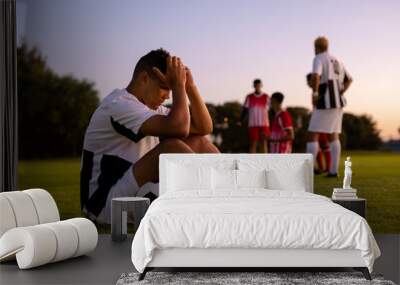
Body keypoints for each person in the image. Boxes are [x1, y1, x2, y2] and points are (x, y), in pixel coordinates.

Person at [80, 49, 219, 223]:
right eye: (164, 87)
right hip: (104, 204)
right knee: (171, 147)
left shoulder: (151, 108)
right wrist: (177, 86)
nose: (167, 95)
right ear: (144, 78)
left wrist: (189, 86)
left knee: (200, 143)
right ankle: (211, 204)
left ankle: (222, 195)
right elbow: (179, 128)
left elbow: (204, 127)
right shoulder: (118, 104)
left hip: (131, 189)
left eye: (171, 88)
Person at [306, 37, 353, 178]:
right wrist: (340, 92)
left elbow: (315, 76)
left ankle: (307, 172)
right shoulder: (337, 59)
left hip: (325, 102)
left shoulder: (318, 58)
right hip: (339, 103)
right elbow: (349, 79)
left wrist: (315, 93)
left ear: (316, 47)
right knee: (334, 135)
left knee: (312, 134)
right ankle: (333, 171)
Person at [306, 73, 332, 174]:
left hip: (322, 119)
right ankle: (322, 168)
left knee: (323, 144)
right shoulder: (315, 91)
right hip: (318, 118)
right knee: (319, 145)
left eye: (308, 81)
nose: (307, 83)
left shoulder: (320, 90)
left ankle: (328, 168)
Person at [241, 79, 270, 153]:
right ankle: (251, 162)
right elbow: (245, 110)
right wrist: (240, 120)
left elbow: (271, 110)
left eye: (259, 85)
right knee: (253, 143)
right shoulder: (249, 97)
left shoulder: (266, 96)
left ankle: (264, 161)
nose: (257, 87)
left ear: (261, 86)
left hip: (264, 124)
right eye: (256, 85)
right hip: (253, 124)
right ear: (254, 86)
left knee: (263, 143)